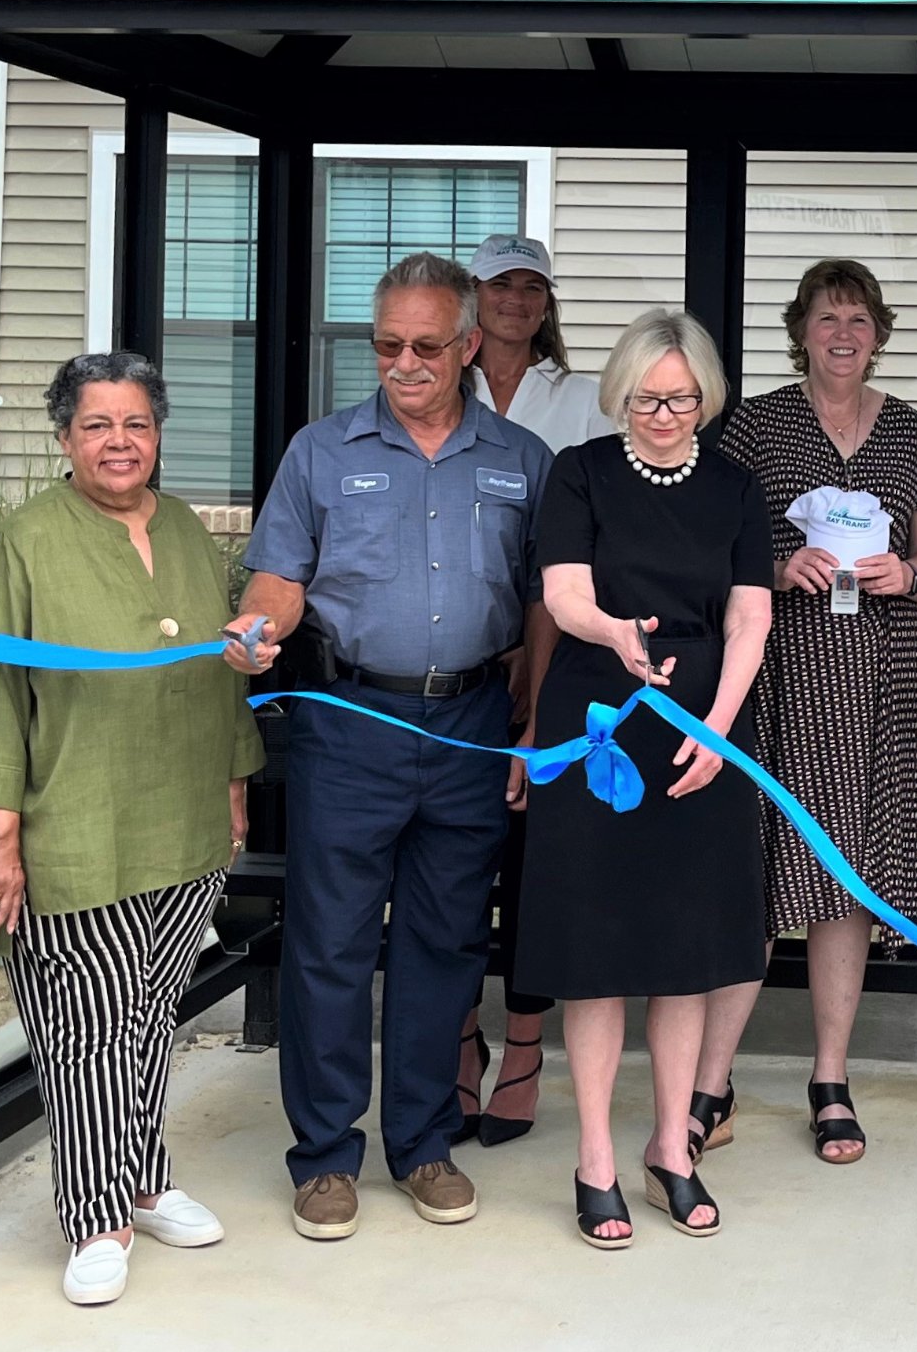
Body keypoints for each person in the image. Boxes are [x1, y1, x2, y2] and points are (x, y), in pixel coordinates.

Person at [230, 251, 553, 1241]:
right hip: (350, 722)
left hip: (469, 723)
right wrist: (255, 627)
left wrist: (531, 720)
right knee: (328, 944)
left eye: (424, 345)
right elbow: (280, 576)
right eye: (385, 345)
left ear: (467, 345)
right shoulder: (321, 452)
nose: (403, 362)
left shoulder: (520, 460)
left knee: (443, 942)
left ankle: (420, 1143)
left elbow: (542, 601)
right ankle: (325, 1157)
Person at [0, 351, 269, 1306]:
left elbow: (214, 665)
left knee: (143, 1022)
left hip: (181, 815)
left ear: (158, 433)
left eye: (135, 423)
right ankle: (95, 1216)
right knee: (83, 1029)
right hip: (75, 820)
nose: (119, 442)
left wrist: (231, 777)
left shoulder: (180, 526)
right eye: (98, 425)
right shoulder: (29, 539)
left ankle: (145, 1175)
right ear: (64, 439)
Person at [683, 259, 917, 1165]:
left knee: (847, 875)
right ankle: (709, 1085)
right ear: (799, 329)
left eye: (860, 319)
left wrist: (908, 576)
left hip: (880, 672)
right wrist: (771, 568)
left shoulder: (912, 431)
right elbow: (705, 538)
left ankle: (830, 1079)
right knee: (756, 874)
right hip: (780, 668)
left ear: (880, 332)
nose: (844, 333)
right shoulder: (756, 423)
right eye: (827, 318)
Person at [513, 308, 773, 1248]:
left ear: (706, 398)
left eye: (681, 398)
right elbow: (564, 592)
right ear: (619, 394)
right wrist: (611, 631)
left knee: (687, 951)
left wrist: (719, 730)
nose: (663, 414)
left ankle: (673, 1147)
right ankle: (594, 1158)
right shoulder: (579, 472)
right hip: (599, 721)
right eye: (646, 398)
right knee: (597, 950)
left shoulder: (738, 488)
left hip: (705, 722)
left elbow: (750, 620)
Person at [454, 233, 609, 1150]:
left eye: (532, 287)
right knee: (457, 871)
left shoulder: (583, 399)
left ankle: (523, 1047)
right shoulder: (440, 385)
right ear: (473, 298)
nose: (516, 300)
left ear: (548, 304)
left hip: (560, 662)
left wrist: (540, 661)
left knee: (535, 868)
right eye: (500, 285)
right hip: (462, 660)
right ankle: (459, 1043)